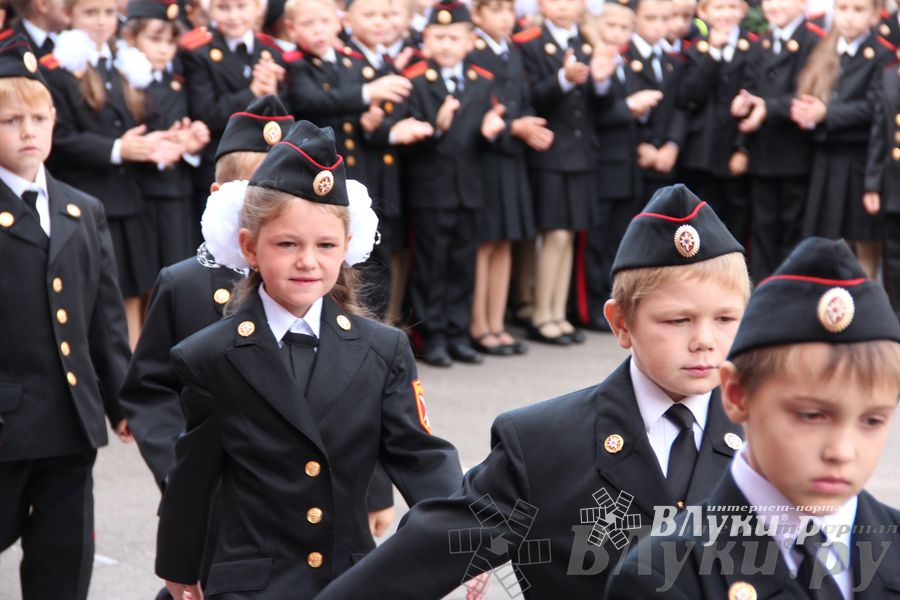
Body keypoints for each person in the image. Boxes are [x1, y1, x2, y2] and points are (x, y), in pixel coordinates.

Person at [315, 184, 751, 599]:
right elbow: (420, 559)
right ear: (621, 323)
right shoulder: (545, 445)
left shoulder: (770, 437)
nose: (705, 340)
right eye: (678, 320)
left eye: (726, 319)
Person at [155, 119, 463, 599]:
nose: (308, 261)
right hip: (252, 583)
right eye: (287, 244)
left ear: (347, 249)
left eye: (326, 246)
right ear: (250, 248)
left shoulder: (383, 349)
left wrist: (463, 546)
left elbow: (421, 456)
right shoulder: (210, 354)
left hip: (350, 579)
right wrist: (180, 568)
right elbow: (194, 475)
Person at [606, 237, 900, 598]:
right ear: (736, 394)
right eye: (811, 415)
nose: (842, 451)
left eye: (872, 420)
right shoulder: (663, 575)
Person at [0, 34, 131, 600]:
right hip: (5, 420)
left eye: (38, 117)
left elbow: (103, 319)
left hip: (69, 419)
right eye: (9, 120)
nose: (28, 131)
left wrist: (122, 401)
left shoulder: (81, 208)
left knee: (63, 554)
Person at [41, 0, 184, 348]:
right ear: (69, 15)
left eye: (108, 13)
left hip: (129, 199)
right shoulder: (57, 66)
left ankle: (130, 383)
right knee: (99, 300)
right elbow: (60, 137)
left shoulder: (123, 64)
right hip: (86, 197)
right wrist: (118, 149)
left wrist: (165, 141)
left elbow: (140, 124)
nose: (102, 22)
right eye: (90, 12)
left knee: (135, 293)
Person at [401, 0, 506, 366]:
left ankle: (458, 332)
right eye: (439, 37)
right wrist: (437, 126)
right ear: (426, 38)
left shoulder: (481, 80)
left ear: (469, 41)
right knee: (432, 265)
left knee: (462, 264)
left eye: (454, 38)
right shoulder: (415, 79)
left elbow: (486, 130)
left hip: (470, 188)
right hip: (432, 188)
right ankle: (430, 336)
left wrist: (493, 130)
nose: (446, 45)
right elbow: (408, 139)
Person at [512, 0, 600, 346]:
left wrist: (604, 79)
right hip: (549, 150)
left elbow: (596, 102)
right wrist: (562, 79)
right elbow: (530, 96)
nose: (564, 6)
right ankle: (540, 312)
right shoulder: (529, 41)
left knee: (569, 235)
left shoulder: (585, 41)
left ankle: (557, 312)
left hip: (580, 152)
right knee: (553, 234)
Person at [468, 0, 552, 355]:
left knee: (506, 240)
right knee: (484, 241)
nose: (505, 18)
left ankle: (497, 322)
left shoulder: (511, 50)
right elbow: (474, 111)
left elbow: (523, 98)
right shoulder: (473, 51)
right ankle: (478, 324)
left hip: (512, 159)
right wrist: (510, 127)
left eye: (508, 11)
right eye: (495, 10)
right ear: (478, 15)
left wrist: (529, 122)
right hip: (485, 158)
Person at [798, 0, 893, 279]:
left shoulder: (881, 54)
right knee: (825, 238)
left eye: (858, 9)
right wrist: (806, 110)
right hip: (826, 159)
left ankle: (867, 304)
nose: (849, 17)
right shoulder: (826, 48)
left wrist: (827, 113)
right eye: (843, 8)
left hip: (860, 160)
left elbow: (876, 108)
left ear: (876, 14)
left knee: (864, 242)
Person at [178, 0, 286, 239]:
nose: (233, 15)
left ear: (258, 8)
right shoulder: (199, 51)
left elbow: (290, 111)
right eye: (223, 7)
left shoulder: (271, 50)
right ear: (210, 10)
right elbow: (205, 112)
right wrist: (253, 93)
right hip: (220, 162)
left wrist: (273, 94)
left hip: (267, 164)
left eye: (241, 6)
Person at [732, 0, 822, 281]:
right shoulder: (762, 44)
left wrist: (768, 108)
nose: (774, 6)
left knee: (793, 227)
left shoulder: (814, 42)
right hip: (763, 151)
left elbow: (812, 92)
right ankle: (763, 291)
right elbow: (750, 87)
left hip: (796, 152)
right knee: (763, 227)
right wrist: (744, 105)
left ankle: (789, 290)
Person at [119, 0, 210, 277]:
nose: (163, 49)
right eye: (154, 39)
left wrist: (190, 145)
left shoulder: (176, 81)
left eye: (171, 41)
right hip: (140, 192)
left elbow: (186, 125)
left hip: (176, 190)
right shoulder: (124, 80)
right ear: (131, 37)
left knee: (177, 268)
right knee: (143, 277)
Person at [677, 0, 754, 242]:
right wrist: (711, 53)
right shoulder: (695, 50)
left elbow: (756, 97)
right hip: (703, 152)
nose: (726, 14)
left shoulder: (754, 47)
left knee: (737, 220)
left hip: (735, 150)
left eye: (732, 7)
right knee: (702, 219)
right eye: (719, 7)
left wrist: (743, 147)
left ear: (743, 10)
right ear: (703, 12)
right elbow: (689, 96)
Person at [864, 51, 900, 319]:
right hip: (893, 185)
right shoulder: (889, 76)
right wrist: (872, 184)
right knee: (894, 261)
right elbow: (878, 134)